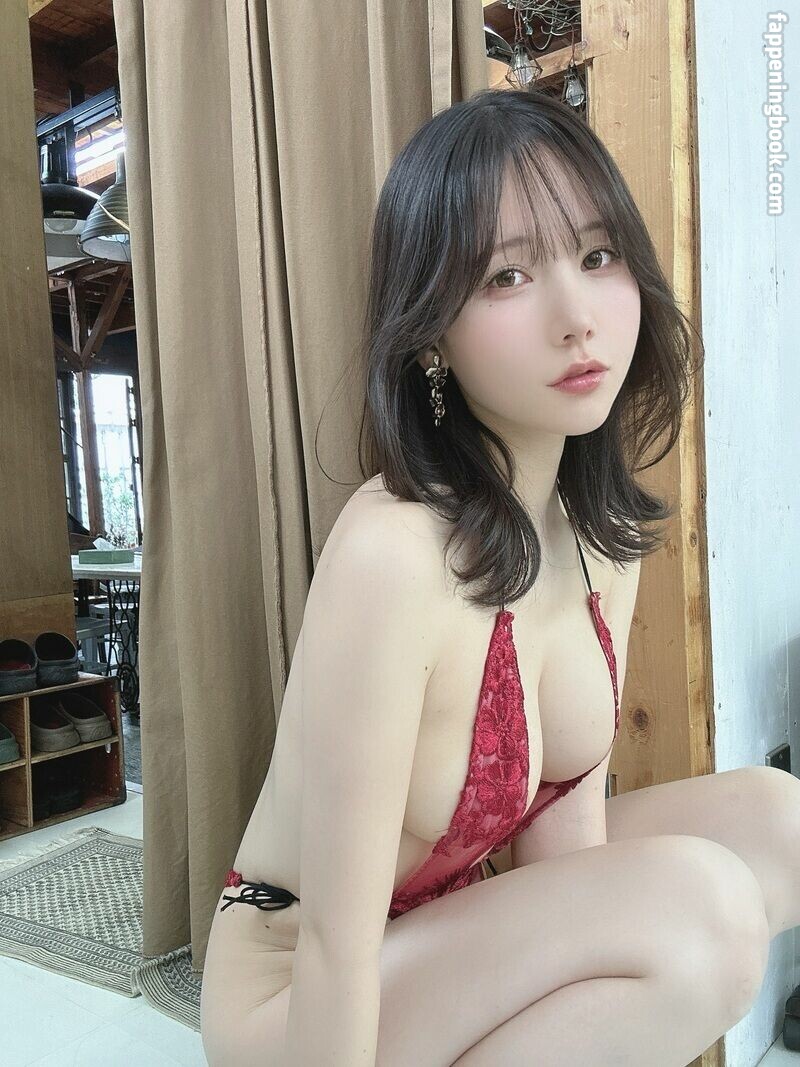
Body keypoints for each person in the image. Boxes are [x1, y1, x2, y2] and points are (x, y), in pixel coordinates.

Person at [200, 87, 778, 1066]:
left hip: (455, 931)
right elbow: (337, 937)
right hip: (301, 993)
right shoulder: (392, 552)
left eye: (597, 256)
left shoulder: (597, 540)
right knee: (705, 907)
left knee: (774, 823)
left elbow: (563, 849)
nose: (576, 317)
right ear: (430, 331)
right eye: (507, 275)